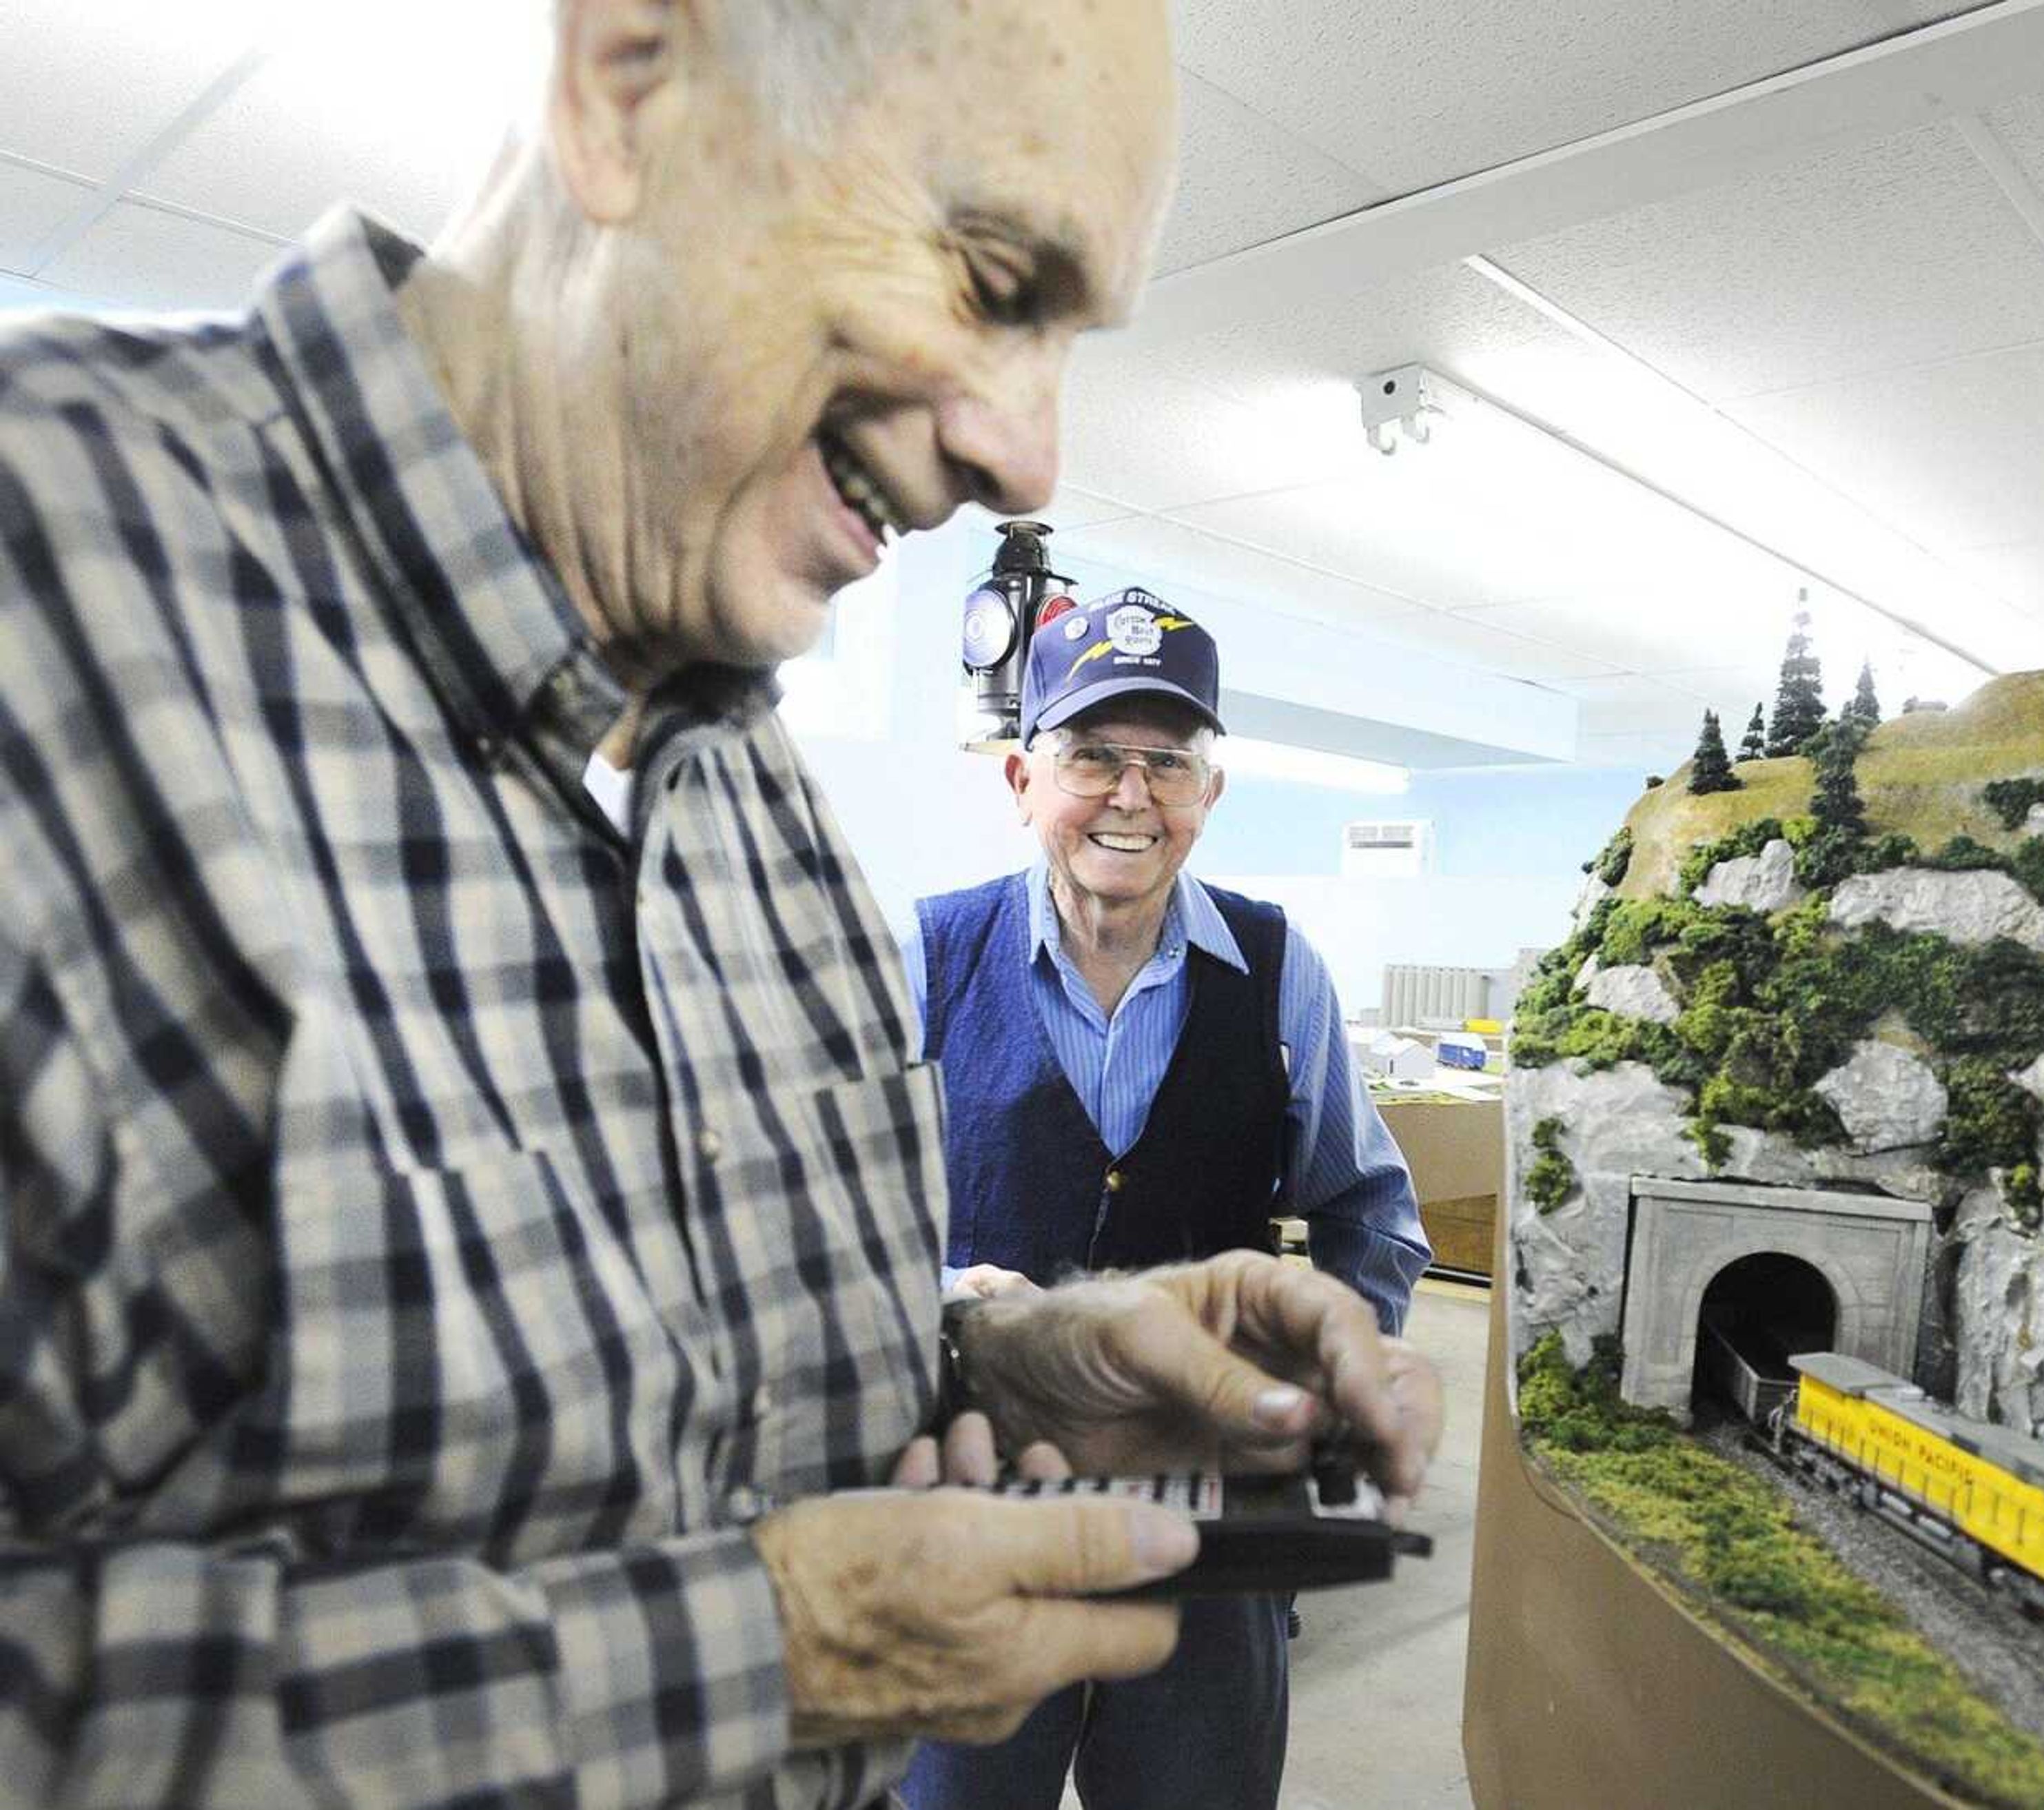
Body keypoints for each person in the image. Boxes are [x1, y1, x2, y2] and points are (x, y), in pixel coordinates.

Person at [0, 3, 1440, 1806]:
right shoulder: (43, 609)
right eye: (994, 274)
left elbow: (702, 1378)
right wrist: (751, 1659)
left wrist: (1017, 1355)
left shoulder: (776, 833)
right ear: (632, 88)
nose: (1027, 459)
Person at [901, 591, 1432, 1810]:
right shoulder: (923, 961)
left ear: (1210, 790)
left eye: (1168, 762)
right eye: (1094, 755)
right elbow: (811, 1226)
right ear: (1023, 776)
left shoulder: (1280, 972)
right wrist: (947, 1304)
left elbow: (1372, 1215)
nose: (1130, 796)